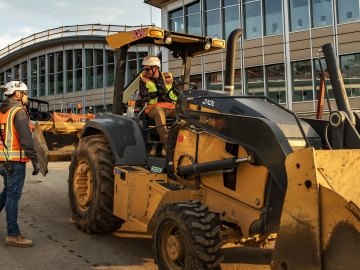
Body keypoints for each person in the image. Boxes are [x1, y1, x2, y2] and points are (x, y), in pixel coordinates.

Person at [0, 81, 40, 247]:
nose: (27, 96)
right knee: (13, 196)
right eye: (25, 93)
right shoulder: (19, 112)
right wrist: (35, 159)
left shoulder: (2, 112)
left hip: (2, 160)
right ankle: (13, 234)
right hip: (14, 162)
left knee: (7, 192)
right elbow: (25, 139)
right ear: (17, 94)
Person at [139, 56, 178, 145]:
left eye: (147, 69)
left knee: (184, 113)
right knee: (159, 113)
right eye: (144, 69)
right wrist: (157, 90)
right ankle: (168, 145)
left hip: (169, 107)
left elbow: (178, 93)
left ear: (155, 68)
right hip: (152, 108)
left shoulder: (168, 77)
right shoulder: (143, 79)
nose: (145, 71)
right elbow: (145, 97)